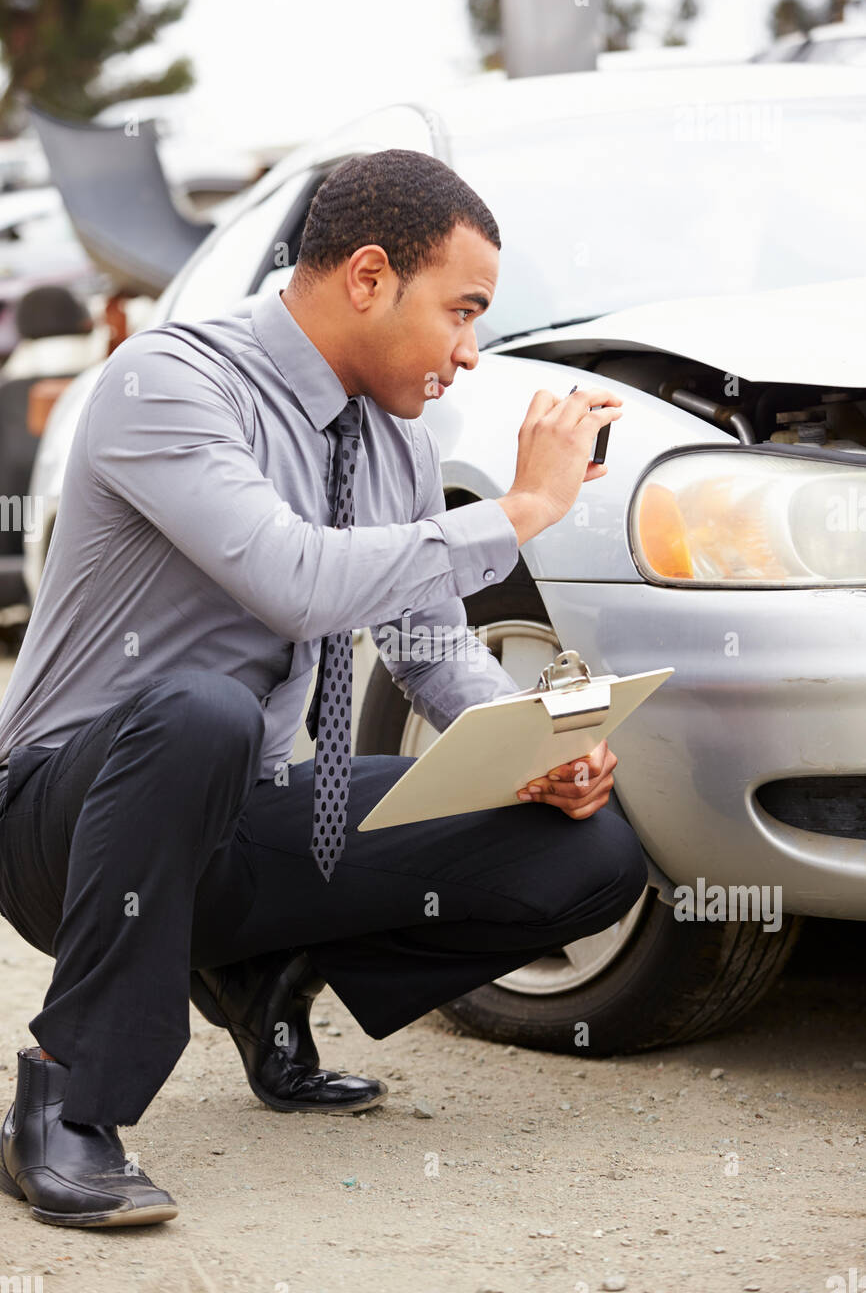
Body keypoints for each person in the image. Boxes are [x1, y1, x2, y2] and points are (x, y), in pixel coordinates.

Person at [0, 149, 645, 1229]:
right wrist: (522, 510)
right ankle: (67, 1107)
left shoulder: (391, 442)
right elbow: (291, 578)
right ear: (366, 277)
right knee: (199, 709)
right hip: (63, 823)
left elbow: (429, 646)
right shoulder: (170, 382)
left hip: (235, 821)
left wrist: (528, 743)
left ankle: (266, 976)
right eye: (461, 312)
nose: (468, 354)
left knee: (591, 855)